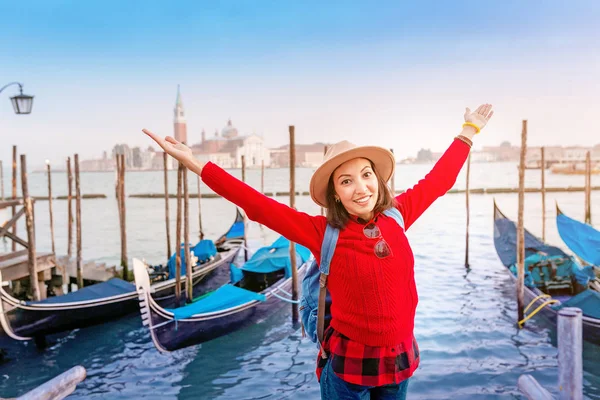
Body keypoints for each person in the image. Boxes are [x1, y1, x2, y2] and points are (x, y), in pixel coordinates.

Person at [142, 104, 494, 399]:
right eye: (346, 181)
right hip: (348, 364)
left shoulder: (399, 214)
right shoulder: (322, 232)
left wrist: (467, 132)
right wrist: (197, 163)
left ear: (378, 179)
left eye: (366, 175)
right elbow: (257, 204)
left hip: (399, 359)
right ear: (335, 194)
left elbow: (440, 179)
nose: (361, 188)